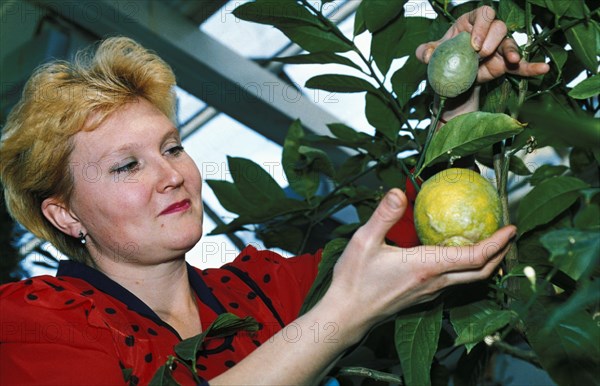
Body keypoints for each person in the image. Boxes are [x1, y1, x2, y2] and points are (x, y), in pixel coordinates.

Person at [0, 6, 548, 385]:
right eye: (126, 165)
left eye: (170, 147)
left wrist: (459, 105)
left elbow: (410, 237)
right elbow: (350, 297)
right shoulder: (33, 325)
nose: (170, 175)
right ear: (64, 214)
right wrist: (342, 316)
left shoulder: (253, 289)